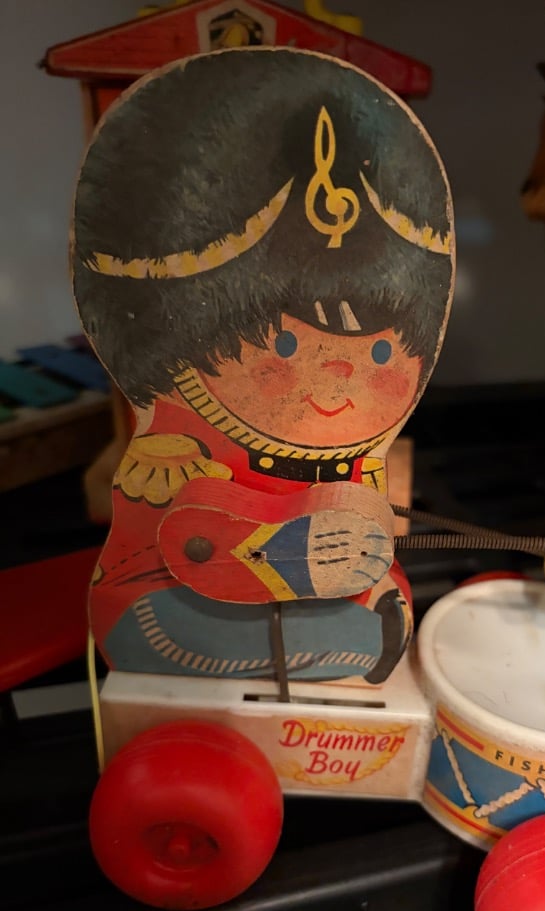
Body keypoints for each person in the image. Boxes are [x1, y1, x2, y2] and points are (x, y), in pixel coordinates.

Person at [73, 47, 454, 684]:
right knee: (161, 625)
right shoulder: (174, 437)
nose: (338, 376)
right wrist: (286, 554)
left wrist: (363, 561)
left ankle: (350, 637)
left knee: (379, 611)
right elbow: (187, 541)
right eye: (285, 346)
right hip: (173, 597)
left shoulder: (360, 453)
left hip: (331, 603)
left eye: (381, 352)